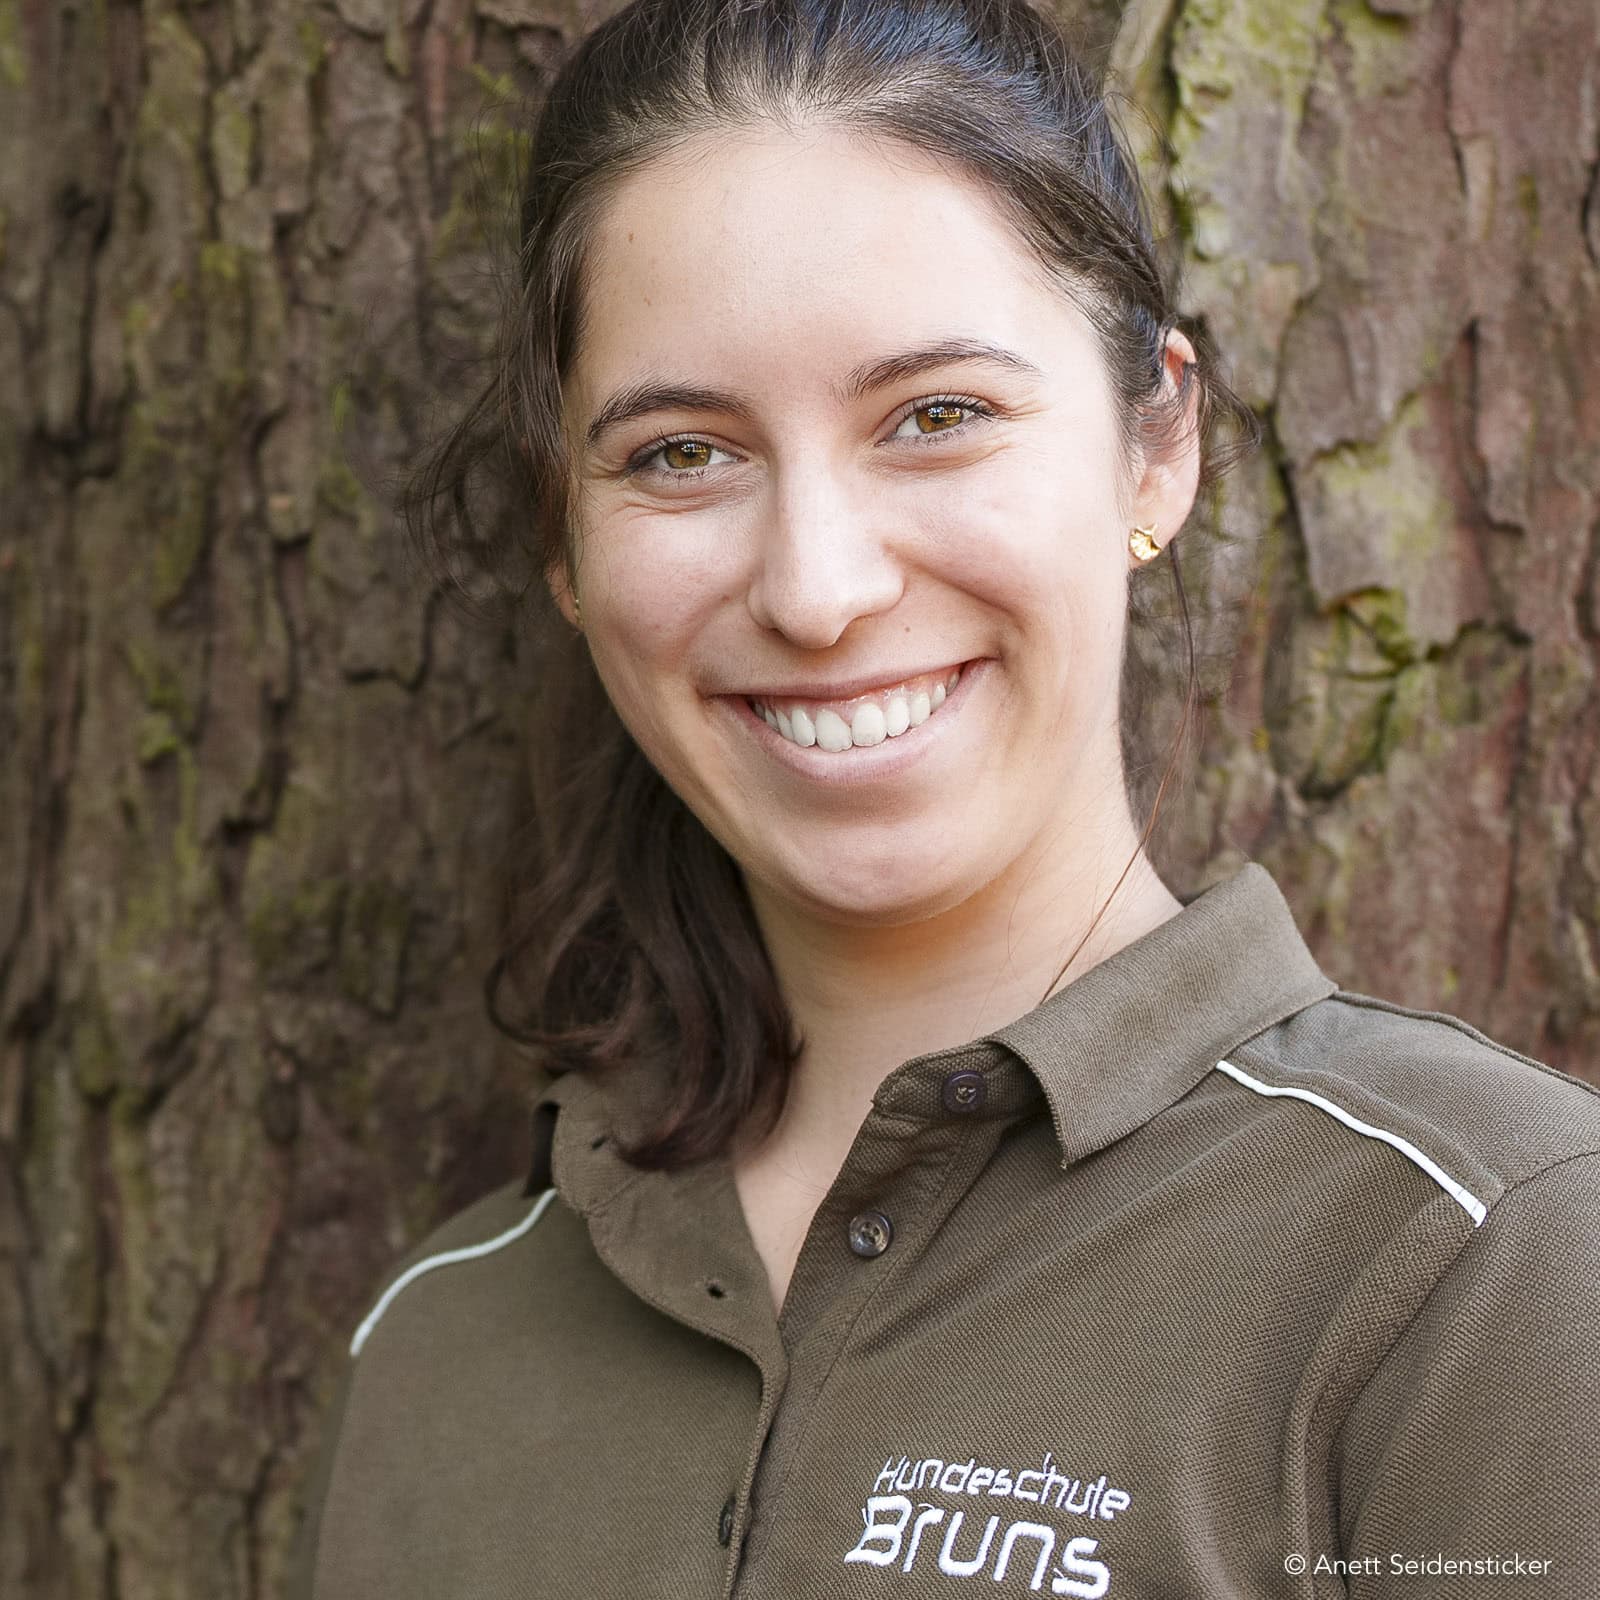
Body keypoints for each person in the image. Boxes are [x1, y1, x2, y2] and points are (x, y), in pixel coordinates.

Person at [289, 1, 1600, 1595]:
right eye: (682, 454)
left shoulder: (1486, 1255)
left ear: (1156, 446)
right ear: (565, 546)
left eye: (936, 416)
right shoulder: (446, 1338)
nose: (819, 588)